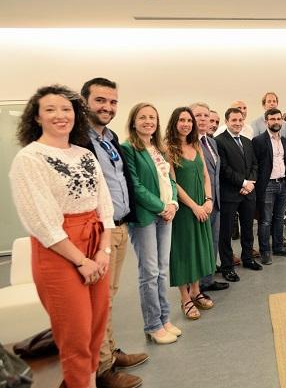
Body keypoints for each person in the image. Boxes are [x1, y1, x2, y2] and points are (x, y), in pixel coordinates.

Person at [10, 85, 114, 388]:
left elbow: (104, 204)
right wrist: (81, 260)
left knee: (96, 327)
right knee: (75, 333)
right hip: (59, 250)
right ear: (37, 117)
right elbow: (41, 222)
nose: (60, 115)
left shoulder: (84, 154)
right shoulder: (30, 159)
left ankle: (90, 382)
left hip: (96, 241)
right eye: (51, 109)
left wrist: (102, 252)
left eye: (66, 109)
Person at [81, 78, 147, 388]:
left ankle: (110, 351)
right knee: (99, 300)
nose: (107, 107)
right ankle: (103, 370)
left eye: (112, 101)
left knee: (109, 298)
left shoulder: (110, 136)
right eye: (100, 100)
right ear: (85, 102)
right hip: (97, 232)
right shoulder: (79, 140)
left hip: (119, 226)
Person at [121, 103, 181, 345]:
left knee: (162, 270)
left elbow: (170, 180)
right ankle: (153, 325)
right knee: (149, 273)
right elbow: (135, 186)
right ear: (133, 121)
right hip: (146, 217)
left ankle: (164, 318)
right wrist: (161, 206)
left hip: (166, 215)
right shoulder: (128, 149)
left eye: (152, 117)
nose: (148, 121)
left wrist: (174, 204)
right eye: (143, 117)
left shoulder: (159, 148)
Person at [165, 107, 216, 320]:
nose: (186, 124)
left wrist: (208, 200)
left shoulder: (196, 145)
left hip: (202, 205)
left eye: (188, 120)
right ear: (174, 123)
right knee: (184, 251)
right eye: (181, 120)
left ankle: (196, 291)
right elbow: (173, 183)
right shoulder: (168, 149)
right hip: (184, 209)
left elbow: (205, 175)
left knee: (198, 248)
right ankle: (185, 298)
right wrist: (195, 206)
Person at [216, 107, 262, 282]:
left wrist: (249, 183)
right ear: (227, 122)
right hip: (230, 193)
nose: (237, 123)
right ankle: (227, 267)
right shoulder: (219, 141)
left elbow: (254, 165)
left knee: (248, 228)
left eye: (240, 120)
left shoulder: (247, 141)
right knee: (226, 232)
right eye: (233, 120)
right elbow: (224, 168)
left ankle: (248, 258)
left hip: (248, 193)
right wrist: (243, 183)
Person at [189, 103, 229, 293]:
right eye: (199, 115)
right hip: (198, 204)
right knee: (197, 246)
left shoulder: (211, 142)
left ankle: (207, 280)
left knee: (212, 242)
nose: (204, 119)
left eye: (206, 115)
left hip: (215, 201)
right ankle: (194, 285)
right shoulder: (187, 144)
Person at [252, 108, 286, 263]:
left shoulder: (283, 140)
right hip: (267, 185)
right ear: (266, 122)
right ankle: (265, 251)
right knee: (265, 220)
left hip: (282, 184)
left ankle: (278, 247)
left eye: (278, 119)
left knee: (279, 218)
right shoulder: (258, 141)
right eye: (272, 119)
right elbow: (254, 165)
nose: (276, 122)